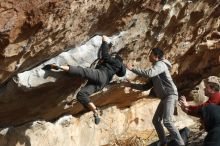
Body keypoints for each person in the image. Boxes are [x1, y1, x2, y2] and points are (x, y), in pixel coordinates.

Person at [44, 35, 126, 125]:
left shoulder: (118, 63)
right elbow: (104, 59)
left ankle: (59, 67)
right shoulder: (116, 69)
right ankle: (95, 111)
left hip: (101, 75)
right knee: (81, 95)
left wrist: (105, 42)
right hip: (102, 84)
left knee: (83, 71)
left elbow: (105, 55)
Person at [126, 48, 185, 146]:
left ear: (156, 57)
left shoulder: (160, 64)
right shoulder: (155, 69)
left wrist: (132, 69)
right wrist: (131, 85)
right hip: (164, 98)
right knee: (156, 120)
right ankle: (163, 143)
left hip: (170, 95)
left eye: (151, 54)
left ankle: (181, 144)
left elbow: (149, 73)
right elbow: (146, 87)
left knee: (167, 121)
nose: (149, 56)